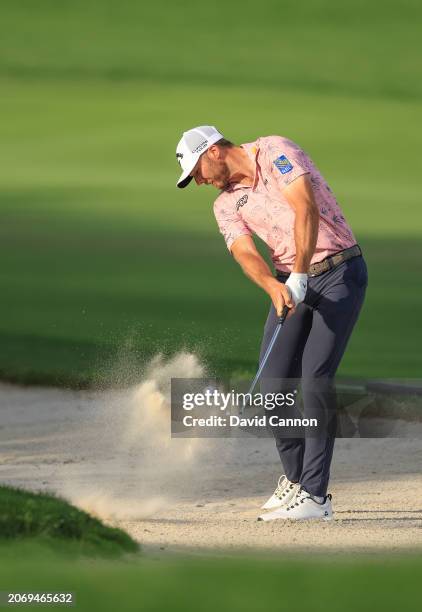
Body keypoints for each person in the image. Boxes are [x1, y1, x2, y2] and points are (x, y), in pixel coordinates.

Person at [175, 125, 368, 521]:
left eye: (197, 171)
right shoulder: (224, 204)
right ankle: (297, 481)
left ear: (212, 151)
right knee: (273, 388)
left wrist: (298, 273)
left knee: (315, 379)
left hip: (338, 272)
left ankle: (316, 496)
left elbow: (305, 206)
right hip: (289, 283)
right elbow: (245, 252)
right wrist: (272, 285)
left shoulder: (275, 150)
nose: (199, 181)